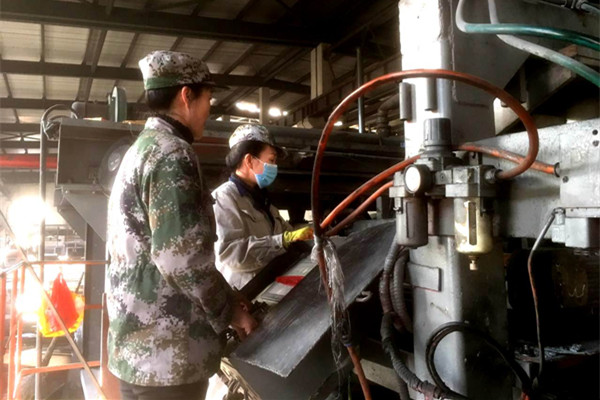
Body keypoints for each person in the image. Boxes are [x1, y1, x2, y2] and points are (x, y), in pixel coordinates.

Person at [106, 51, 257, 400]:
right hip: (169, 359)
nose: (209, 110)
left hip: (138, 352)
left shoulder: (139, 150)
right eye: (208, 99)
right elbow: (182, 259)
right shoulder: (172, 153)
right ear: (187, 96)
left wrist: (228, 295)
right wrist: (231, 312)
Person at [212, 124, 313, 290]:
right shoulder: (224, 198)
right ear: (249, 160)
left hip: (268, 287)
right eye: (271, 160)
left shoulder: (262, 201)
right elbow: (230, 254)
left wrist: (310, 233)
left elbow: (288, 234)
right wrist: (282, 241)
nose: (275, 166)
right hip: (244, 293)